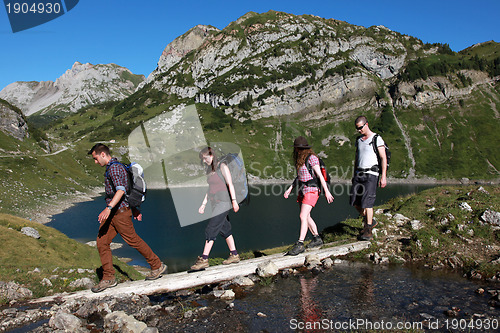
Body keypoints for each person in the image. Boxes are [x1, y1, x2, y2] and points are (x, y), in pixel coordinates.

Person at [88, 143, 166, 292]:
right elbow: (128, 188)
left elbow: (122, 190)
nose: (95, 162)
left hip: (119, 212)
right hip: (115, 213)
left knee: (133, 240)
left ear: (103, 154)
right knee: (102, 242)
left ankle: (157, 265)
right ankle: (108, 278)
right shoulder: (114, 167)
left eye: (96, 158)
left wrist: (108, 207)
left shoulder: (115, 168)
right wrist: (135, 209)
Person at [190, 147, 241, 270]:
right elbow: (210, 189)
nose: (204, 161)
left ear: (212, 155)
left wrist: (234, 201)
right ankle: (234, 254)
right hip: (215, 202)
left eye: (205, 158)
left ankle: (204, 258)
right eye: (202, 159)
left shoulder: (222, 166)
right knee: (225, 229)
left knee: (211, 229)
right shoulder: (210, 170)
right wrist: (203, 204)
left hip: (224, 202)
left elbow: (230, 184)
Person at [284, 136, 334, 255]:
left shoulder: (312, 158)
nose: (296, 150)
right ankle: (317, 238)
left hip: (312, 189)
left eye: (298, 148)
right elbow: (299, 177)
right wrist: (290, 189)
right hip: (303, 189)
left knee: (302, 215)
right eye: (296, 148)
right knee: (307, 216)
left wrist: (326, 191)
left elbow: (320, 176)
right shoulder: (300, 160)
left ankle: (300, 244)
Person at [349, 116, 387, 241]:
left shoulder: (376, 138)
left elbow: (383, 158)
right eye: (357, 128)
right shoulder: (359, 140)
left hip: (371, 174)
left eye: (360, 127)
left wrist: (383, 176)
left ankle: (368, 229)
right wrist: (354, 174)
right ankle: (370, 220)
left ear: (366, 124)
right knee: (355, 202)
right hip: (359, 174)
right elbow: (357, 157)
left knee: (368, 202)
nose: (359, 130)